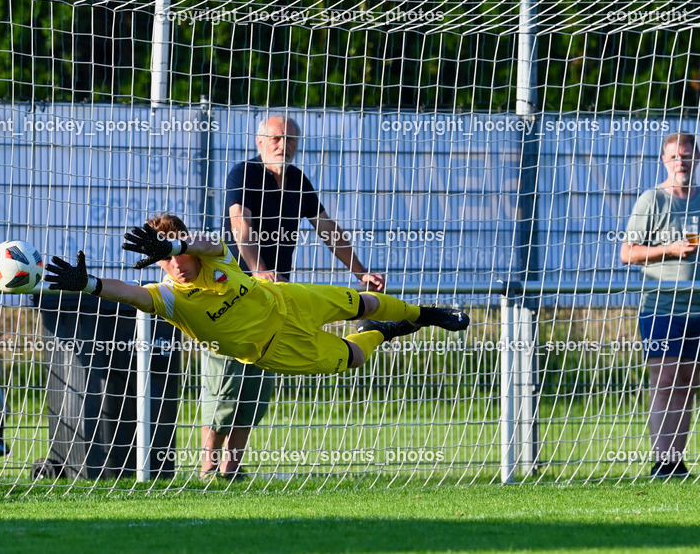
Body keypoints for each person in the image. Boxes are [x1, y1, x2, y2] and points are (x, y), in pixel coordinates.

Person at [43, 212, 469, 423]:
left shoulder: (212, 257)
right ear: (156, 266)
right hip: (274, 348)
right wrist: (88, 283)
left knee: (364, 301)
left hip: (287, 301)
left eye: (177, 250)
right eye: (164, 258)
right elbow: (127, 292)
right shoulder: (168, 298)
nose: (175, 263)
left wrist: (174, 245)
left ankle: (424, 314)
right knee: (353, 357)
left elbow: (210, 245)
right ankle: (386, 334)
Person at [200, 114, 391, 480]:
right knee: (225, 380)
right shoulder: (245, 173)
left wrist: (360, 271)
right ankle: (208, 465)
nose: (282, 145)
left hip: (276, 295)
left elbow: (326, 227)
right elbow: (241, 223)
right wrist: (256, 268)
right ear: (259, 142)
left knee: (260, 378)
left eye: (290, 139)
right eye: (275, 138)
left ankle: (231, 468)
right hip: (231, 290)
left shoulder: (299, 180)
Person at [621, 132, 700, 478]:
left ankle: (677, 461)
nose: (680, 162)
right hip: (661, 306)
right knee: (664, 378)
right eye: (674, 156)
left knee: (687, 380)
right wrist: (668, 250)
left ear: (697, 160)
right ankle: (662, 460)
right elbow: (627, 253)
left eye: (686, 155)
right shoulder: (652, 200)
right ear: (664, 161)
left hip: (697, 308)